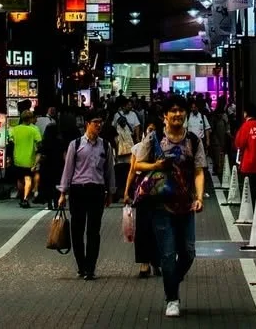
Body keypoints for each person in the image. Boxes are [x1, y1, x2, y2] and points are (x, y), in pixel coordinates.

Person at [134, 97, 206, 318]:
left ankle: (171, 282)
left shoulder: (193, 140)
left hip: (186, 205)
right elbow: (137, 163)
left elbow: (199, 170)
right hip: (160, 206)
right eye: (173, 111)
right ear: (165, 115)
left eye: (180, 110)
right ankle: (172, 298)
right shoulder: (154, 138)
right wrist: (155, 165)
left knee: (189, 253)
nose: (177, 114)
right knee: (167, 254)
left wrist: (200, 197)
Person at [58, 111, 116, 280]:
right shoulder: (75, 145)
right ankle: (81, 265)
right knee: (77, 230)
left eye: (100, 122)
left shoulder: (105, 146)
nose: (98, 125)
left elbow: (109, 171)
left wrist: (111, 192)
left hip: (97, 191)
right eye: (95, 122)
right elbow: (68, 169)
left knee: (94, 231)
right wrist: (63, 193)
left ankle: (90, 268)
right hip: (78, 190)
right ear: (87, 124)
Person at [124, 117, 162, 277]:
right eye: (149, 129)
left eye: (154, 130)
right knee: (143, 227)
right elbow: (133, 170)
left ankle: (157, 262)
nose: (151, 133)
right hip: (142, 192)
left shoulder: (163, 149)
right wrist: (126, 192)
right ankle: (144, 263)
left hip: (160, 192)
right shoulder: (138, 148)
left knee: (159, 227)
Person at [8, 109, 42, 208]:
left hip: (17, 158)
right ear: (30, 119)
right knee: (28, 179)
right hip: (29, 158)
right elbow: (39, 143)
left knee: (19, 179)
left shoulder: (15, 129)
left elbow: (11, 141)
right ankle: (26, 198)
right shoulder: (34, 130)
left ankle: (21, 196)